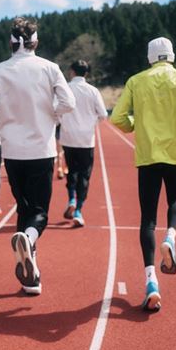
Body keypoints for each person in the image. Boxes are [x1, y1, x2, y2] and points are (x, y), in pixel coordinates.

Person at [0, 17, 75, 295]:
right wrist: (50, 116)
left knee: (24, 209)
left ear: (11, 43)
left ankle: (32, 276)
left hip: (12, 152)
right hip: (42, 149)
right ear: (35, 42)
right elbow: (68, 103)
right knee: (39, 213)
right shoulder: (49, 68)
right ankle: (28, 240)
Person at [111, 37, 176, 312]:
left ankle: (151, 281)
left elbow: (116, 117)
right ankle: (171, 238)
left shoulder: (136, 81)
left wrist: (134, 126)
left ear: (150, 56)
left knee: (147, 218)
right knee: (175, 199)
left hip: (148, 154)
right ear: (171, 55)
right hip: (175, 151)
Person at [59, 59, 108, 227]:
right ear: (86, 73)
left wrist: (64, 122)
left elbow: (55, 109)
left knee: (71, 171)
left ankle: (71, 198)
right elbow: (103, 114)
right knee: (84, 175)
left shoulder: (65, 88)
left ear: (72, 71)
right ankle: (78, 210)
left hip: (68, 138)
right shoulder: (93, 91)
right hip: (86, 140)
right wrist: (90, 122)